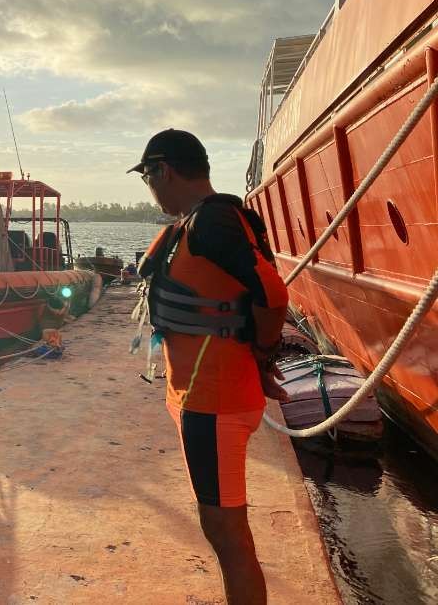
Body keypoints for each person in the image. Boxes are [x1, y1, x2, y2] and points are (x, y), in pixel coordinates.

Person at [129, 129, 289, 605]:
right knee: (221, 527)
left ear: (164, 170)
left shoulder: (212, 223)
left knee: (226, 531)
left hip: (214, 402)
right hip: (200, 397)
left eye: (148, 177)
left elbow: (273, 296)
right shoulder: (196, 223)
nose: (151, 189)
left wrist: (263, 355)